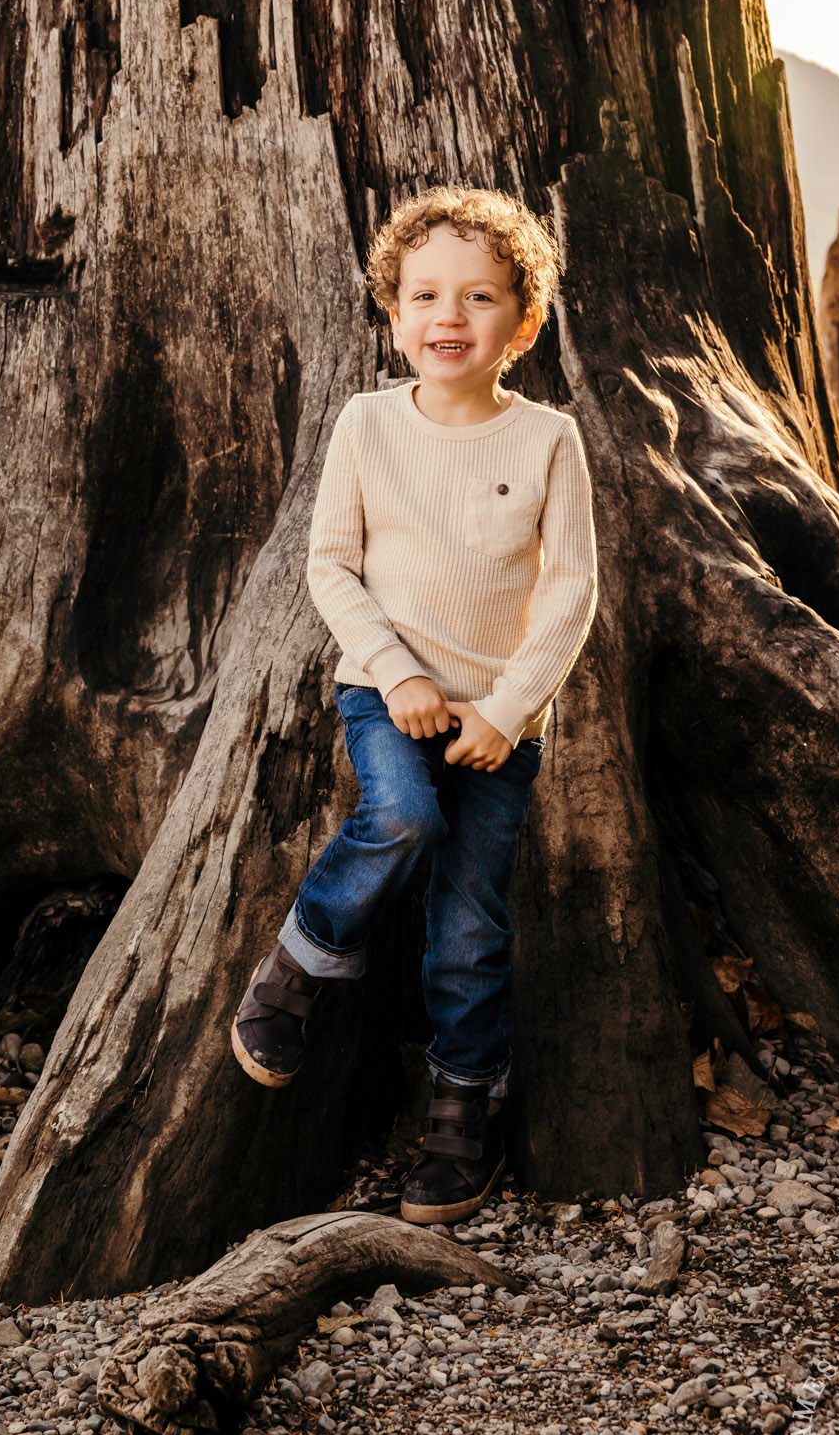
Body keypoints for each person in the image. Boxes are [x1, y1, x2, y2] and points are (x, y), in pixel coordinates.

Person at [230, 186, 598, 1222]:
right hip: (386, 695)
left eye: (478, 297)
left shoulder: (547, 442)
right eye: (425, 294)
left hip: (497, 722)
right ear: (392, 314)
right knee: (397, 816)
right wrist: (395, 673)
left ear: (520, 325)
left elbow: (570, 589)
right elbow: (331, 565)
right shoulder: (365, 425)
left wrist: (508, 709)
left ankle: (460, 1120)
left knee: (470, 927)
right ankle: (296, 971)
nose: (449, 316)